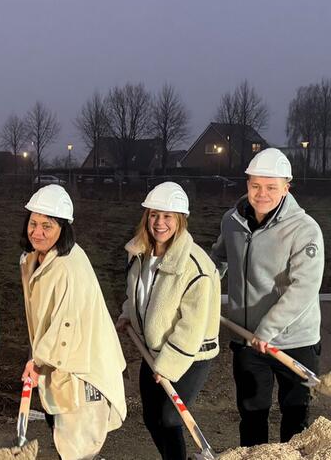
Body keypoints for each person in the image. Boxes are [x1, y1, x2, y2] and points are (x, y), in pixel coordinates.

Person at [210, 148, 324, 446]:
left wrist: (269, 329)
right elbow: (219, 259)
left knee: (295, 417)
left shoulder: (304, 230)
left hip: (295, 342)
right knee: (252, 414)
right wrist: (200, 286)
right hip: (247, 339)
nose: (262, 194)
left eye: (271, 187)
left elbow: (304, 288)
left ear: (287, 187)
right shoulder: (232, 221)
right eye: (255, 185)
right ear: (247, 184)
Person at [20, 185, 126, 460]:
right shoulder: (37, 260)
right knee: (63, 434)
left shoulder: (68, 267)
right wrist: (38, 357)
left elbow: (65, 326)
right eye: (33, 223)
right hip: (62, 360)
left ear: (63, 228)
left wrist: (38, 360)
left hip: (84, 368)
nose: (37, 232)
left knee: (78, 446)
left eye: (47, 226)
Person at [115, 182, 220, 460]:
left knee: (170, 418)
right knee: (151, 417)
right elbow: (138, 294)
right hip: (152, 350)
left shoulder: (195, 266)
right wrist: (128, 314)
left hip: (189, 354)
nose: (159, 223)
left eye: (167, 217)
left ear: (180, 220)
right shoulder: (139, 253)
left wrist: (169, 365)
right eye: (154, 215)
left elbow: (192, 327)